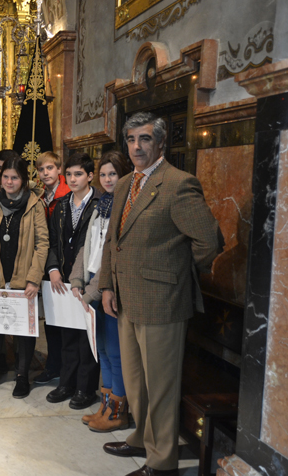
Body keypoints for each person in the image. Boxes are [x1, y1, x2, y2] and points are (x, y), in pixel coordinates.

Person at [100, 113, 222, 476]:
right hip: (125, 299)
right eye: (131, 140)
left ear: (160, 144)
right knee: (136, 382)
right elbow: (113, 242)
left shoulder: (179, 184)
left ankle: (162, 461)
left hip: (163, 302)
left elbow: (209, 242)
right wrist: (107, 284)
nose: (136, 147)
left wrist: (175, 273)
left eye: (145, 140)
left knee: (161, 387)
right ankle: (140, 436)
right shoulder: (124, 183)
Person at [0, 155, 49, 398]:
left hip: (23, 279)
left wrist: (33, 279)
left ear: (23, 179)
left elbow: (42, 244)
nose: (9, 181)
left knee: (24, 330)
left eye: (15, 177)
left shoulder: (34, 204)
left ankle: (21, 376)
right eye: (6, 177)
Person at [69, 151, 130, 431]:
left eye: (112, 174)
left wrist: (93, 288)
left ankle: (118, 410)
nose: (107, 179)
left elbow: (112, 253)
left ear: (124, 175)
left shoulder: (125, 207)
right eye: (104, 174)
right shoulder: (101, 205)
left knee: (115, 350)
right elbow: (88, 245)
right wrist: (78, 278)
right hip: (93, 279)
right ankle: (105, 405)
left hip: (111, 286)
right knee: (102, 349)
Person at [45, 153, 102, 410]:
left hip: (89, 279)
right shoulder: (61, 204)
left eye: (78, 174)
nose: (73, 179)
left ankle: (85, 388)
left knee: (87, 336)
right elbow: (52, 239)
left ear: (90, 176)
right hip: (63, 278)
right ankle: (66, 383)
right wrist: (53, 268)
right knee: (67, 333)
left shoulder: (100, 204)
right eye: (69, 174)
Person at [33, 150, 72, 386]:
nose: (45, 173)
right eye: (41, 169)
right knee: (52, 320)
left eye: (50, 168)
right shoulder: (42, 196)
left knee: (68, 323)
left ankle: (67, 369)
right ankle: (54, 365)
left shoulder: (67, 195)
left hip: (64, 266)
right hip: (48, 264)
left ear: (59, 170)